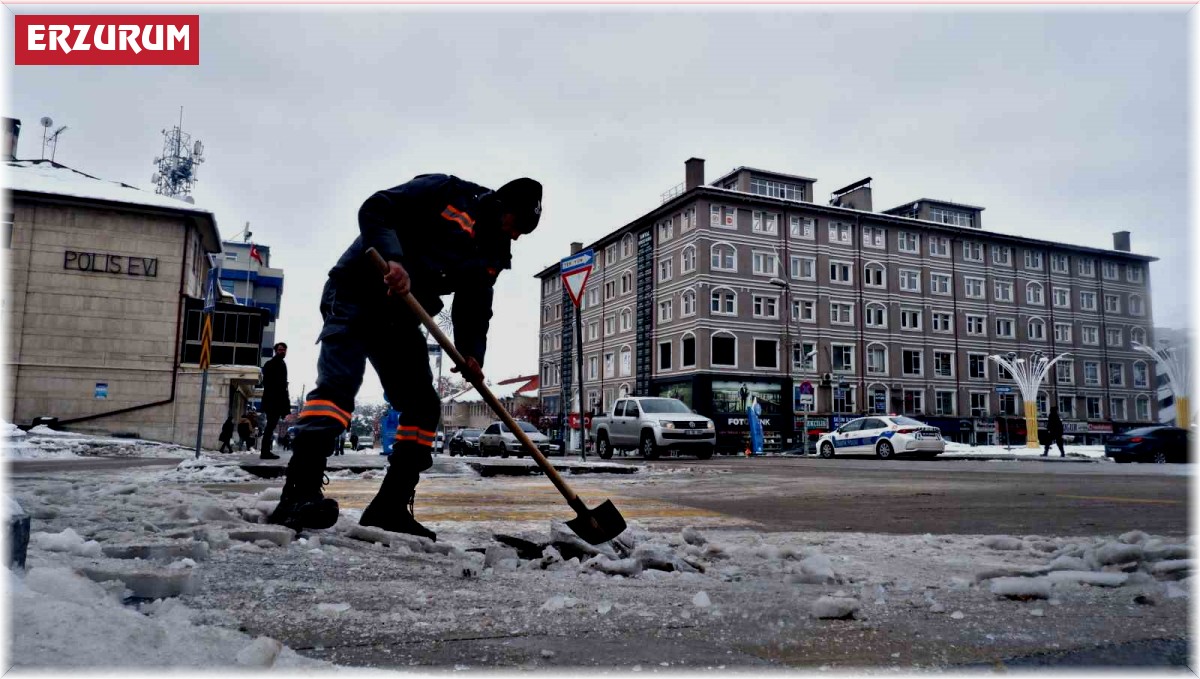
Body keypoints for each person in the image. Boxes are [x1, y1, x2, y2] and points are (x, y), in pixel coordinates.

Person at [268, 173, 543, 539]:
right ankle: (298, 494)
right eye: (517, 225)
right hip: (358, 289)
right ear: (504, 206)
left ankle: (389, 506)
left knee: (423, 407)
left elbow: (476, 306)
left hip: (400, 314)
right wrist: (393, 259)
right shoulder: (447, 193)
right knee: (338, 386)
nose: (516, 236)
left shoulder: (492, 253)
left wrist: (472, 354)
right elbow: (377, 208)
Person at [260, 342, 291, 460]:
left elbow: (283, 387)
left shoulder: (282, 363)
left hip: (277, 401)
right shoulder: (271, 364)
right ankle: (265, 452)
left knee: (271, 426)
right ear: (275, 350)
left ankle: (265, 451)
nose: (282, 352)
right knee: (270, 426)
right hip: (272, 401)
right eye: (280, 349)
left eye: (284, 350)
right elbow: (269, 384)